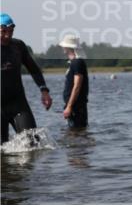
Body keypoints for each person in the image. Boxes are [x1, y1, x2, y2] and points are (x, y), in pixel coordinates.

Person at [1, 13, 53, 143]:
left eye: (11, 31)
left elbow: (34, 69)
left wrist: (44, 90)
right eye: (3, 31)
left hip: (18, 103)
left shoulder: (18, 46)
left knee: (32, 143)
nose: (7, 35)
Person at [60, 34, 89, 129]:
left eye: (64, 45)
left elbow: (77, 86)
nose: (63, 47)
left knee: (77, 133)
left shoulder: (77, 62)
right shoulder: (74, 63)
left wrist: (69, 106)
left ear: (69, 47)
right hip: (75, 108)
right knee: (75, 135)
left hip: (76, 108)